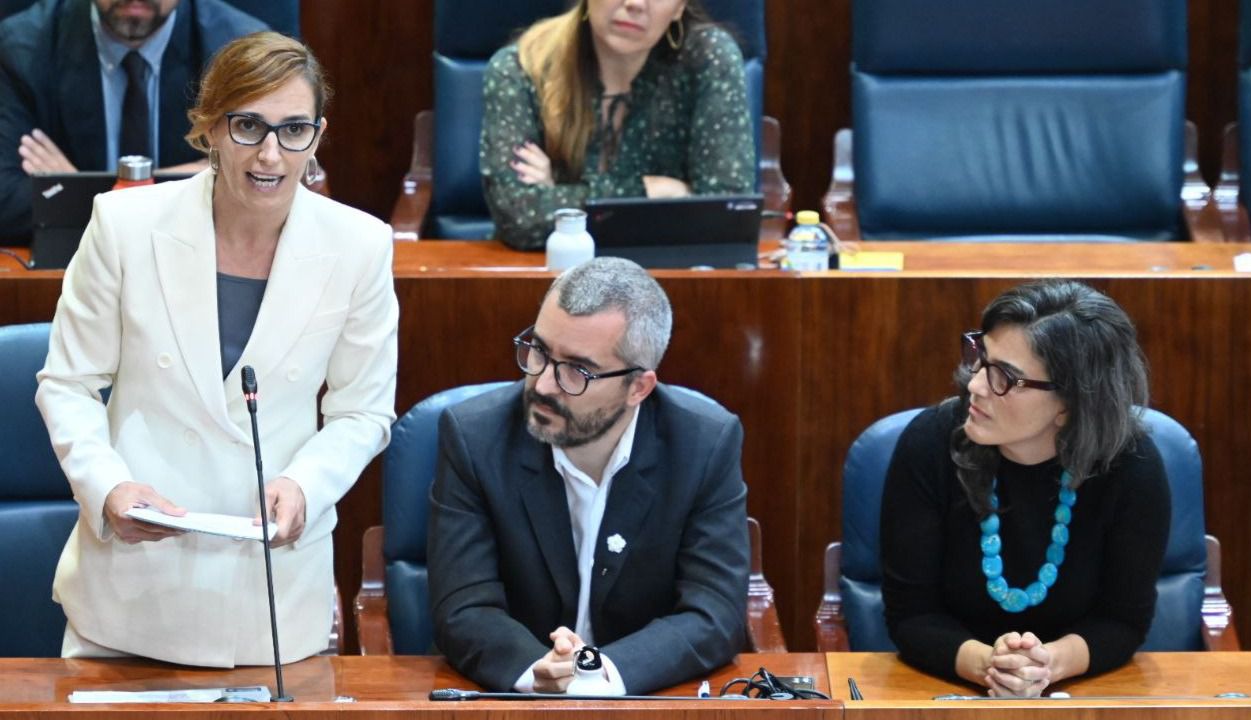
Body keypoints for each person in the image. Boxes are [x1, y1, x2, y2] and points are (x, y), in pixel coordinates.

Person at [35, 31, 398, 667]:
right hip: (134, 588)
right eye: (247, 126)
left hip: (271, 598)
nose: (270, 153)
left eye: (293, 130)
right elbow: (67, 383)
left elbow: (362, 413)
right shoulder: (124, 226)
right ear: (208, 129)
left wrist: (306, 484)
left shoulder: (361, 246)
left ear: (317, 135)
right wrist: (108, 486)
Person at [428, 256, 748, 694]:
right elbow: (463, 607)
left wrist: (603, 675)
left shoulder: (703, 445)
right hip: (517, 700)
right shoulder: (475, 437)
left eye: (576, 370)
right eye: (538, 351)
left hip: (645, 697)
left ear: (639, 387)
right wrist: (536, 672)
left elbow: (714, 611)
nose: (542, 384)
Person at [879, 280, 1170, 697]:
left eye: (1004, 377)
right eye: (981, 358)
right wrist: (993, 668)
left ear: (1070, 404)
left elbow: (1122, 621)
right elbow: (912, 614)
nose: (976, 385)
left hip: (1079, 695)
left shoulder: (1132, 466)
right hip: (942, 689)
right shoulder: (930, 443)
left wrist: (1046, 665)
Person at [478, 0, 755, 250]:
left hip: (669, 278)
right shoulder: (523, 66)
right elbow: (518, 218)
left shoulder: (708, 57)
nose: (635, 3)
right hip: (550, 277)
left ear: (679, 8)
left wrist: (559, 195)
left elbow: (725, 214)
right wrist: (655, 192)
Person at [0, 0, 266, 243]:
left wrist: (75, 191)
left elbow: (263, 196)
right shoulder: (20, 48)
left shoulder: (243, 54)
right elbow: (6, 201)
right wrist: (201, 178)